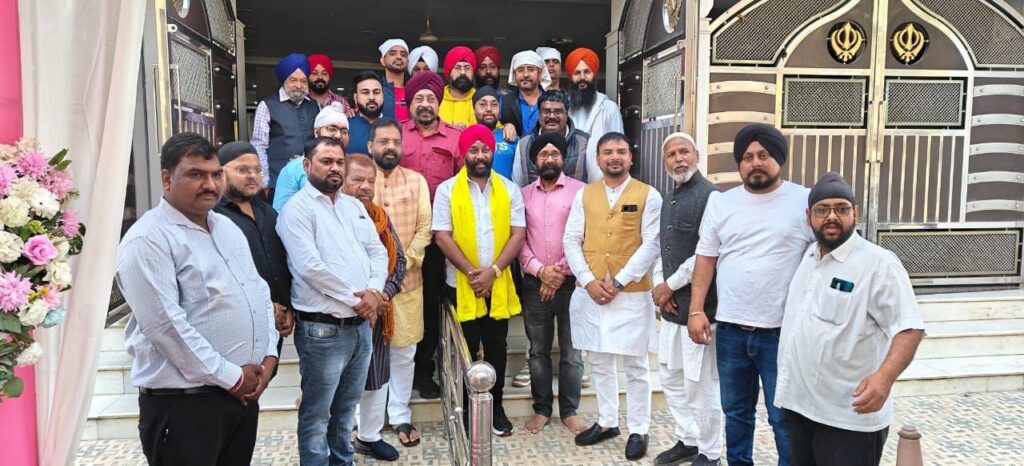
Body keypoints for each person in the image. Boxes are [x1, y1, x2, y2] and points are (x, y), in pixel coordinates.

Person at [116, 133, 278, 465]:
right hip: (185, 406)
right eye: (196, 174)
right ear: (167, 179)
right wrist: (233, 377)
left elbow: (259, 292)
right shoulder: (148, 239)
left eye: (216, 174)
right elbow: (166, 328)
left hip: (240, 399)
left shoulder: (226, 227)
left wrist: (269, 355)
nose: (210, 184)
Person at [777, 173, 925, 466]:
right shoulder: (808, 257)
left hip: (849, 418)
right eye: (822, 209)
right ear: (808, 216)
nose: (832, 217)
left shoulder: (879, 264)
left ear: (855, 213)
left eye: (841, 209)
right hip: (801, 409)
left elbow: (909, 329)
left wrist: (884, 379)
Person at [688, 124, 815, 466]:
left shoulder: (804, 201)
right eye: (747, 157)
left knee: (783, 417)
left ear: (779, 158)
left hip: (782, 332)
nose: (755, 162)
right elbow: (706, 258)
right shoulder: (721, 203)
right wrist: (696, 310)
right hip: (731, 329)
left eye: (763, 155)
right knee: (736, 414)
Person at [277, 136, 388, 465]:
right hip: (322, 330)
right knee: (317, 415)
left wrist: (374, 291)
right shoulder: (296, 210)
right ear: (307, 165)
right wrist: (359, 300)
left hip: (360, 328)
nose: (335, 168)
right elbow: (310, 268)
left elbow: (377, 251)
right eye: (326, 161)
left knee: (345, 412)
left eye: (340, 162)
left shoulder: (353, 206)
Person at [564, 132, 661, 461]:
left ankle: (639, 428)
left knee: (636, 365)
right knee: (599, 361)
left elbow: (651, 244)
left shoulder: (649, 195)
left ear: (631, 157)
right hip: (590, 293)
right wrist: (588, 281)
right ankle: (607, 421)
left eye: (621, 151)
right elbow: (571, 240)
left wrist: (618, 281)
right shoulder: (584, 195)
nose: (614, 157)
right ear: (598, 159)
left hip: (631, 293)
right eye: (608, 152)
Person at [432, 124, 526, 437]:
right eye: (473, 149)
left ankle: (495, 407)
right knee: (465, 349)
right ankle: (467, 409)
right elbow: (442, 236)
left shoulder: (509, 189)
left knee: (497, 347)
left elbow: (518, 234)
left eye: (485, 149)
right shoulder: (447, 190)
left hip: (498, 282)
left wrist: (493, 271)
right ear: (464, 154)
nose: (480, 155)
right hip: (460, 283)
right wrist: (473, 273)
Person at [651, 133, 723, 466]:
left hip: (699, 311)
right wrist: (659, 288)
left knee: (700, 385)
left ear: (697, 155)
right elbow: (661, 249)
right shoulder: (669, 198)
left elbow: (706, 254)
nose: (679, 159)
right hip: (671, 311)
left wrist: (669, 285)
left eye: (684, 152)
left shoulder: (712, 197)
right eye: (671, 155)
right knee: (670, 377)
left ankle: (711, 452)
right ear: (665, 162)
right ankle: (688, 439)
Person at [367, 117, 433, 448]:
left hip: (407, 282)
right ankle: (366, 420)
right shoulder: (359, 180)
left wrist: (401, 264)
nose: (390, 147)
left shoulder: (416, 181)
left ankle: (399, 414)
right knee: (367, 354)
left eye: (395, 142)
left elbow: (424, 228)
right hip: (367, 289)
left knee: (404, 352)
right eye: (384, 142)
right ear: (371, 146)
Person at [518, 132, 587, 436]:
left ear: (563, 158)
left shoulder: (581, 192)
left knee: (572, 352)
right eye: (543, 154)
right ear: (535, 160)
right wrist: (540, 271)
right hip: (535, 284)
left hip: (572, 283)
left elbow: (585, 237)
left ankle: (570, 411)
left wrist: (557, 273)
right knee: (538, 351)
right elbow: (518, 239)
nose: (549, 159)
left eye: (554, 154)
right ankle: (542, 409)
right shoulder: (523, 195)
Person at [400, 70, 464, 399]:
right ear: (409, 104)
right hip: (401, 236)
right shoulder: (396, 135)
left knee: (432, 303)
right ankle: (398, 369)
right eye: (419, 99)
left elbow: (463, 186)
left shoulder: (455, 138)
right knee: (402, 301)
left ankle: (425, 371)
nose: (425, 104)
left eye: (430, 99)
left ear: (439, 103)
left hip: (439, 238)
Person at [342, 154, 406, 462]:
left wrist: (381, 296)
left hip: (378, 312)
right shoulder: (328, 217)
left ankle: (369, 436)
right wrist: (359, 301)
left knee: (377, 378)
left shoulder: (380, 216)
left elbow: (399, 261)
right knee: (340, 383)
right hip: (340, 314)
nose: (365, 187)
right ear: (342, 180)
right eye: (357, 180)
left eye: (371, 181)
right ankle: (339, 441)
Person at [215, 141, 295, 377]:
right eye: (242, 170)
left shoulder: (267, 212)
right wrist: (266, 306)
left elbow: (282, 262)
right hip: (236, 324)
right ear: (220, 172)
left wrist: (287, 307)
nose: (252, 176)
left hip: (275, 323)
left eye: (257, 170)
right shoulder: (213, 216)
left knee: (262, 381)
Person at [252, 53, 319, 196]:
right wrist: (265, 182)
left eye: (303, 81)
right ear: (284, 80)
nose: (298, 85)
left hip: (310, 183)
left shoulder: (314, 106)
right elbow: (259, 145)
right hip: (277, 183)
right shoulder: (267, 105)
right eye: (293, 80)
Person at [273, 103, 349, 211]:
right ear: (316, 132)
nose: (338, 135)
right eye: (332, 129)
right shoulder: (292, 169)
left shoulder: (353, 165)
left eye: (344, 131)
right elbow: (281, 212)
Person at [565, 48, 624, 183]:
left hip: (601, 182)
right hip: (569, 183)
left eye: (587, 72)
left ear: (594, 74)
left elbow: (618, 147)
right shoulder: (564, 108)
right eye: (577, 73)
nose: (582, 77)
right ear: (570, 77)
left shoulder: (609, 108)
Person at [511, 90, 589, 186]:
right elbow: (517, 185)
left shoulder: (583, 142)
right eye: (546, 111)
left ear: (566, 114)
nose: (552, 116)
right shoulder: (524, 143)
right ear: (539, 114)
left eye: (558, 112)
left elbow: (594, 183)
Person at [499, 50, 552, 143]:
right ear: (514, 74)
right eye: (520, 70)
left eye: (531, 69)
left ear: (539, 72)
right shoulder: (505, 101)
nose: (525, 75)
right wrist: (506, 125)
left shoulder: (551, 100)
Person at [472, 86, 516, 179]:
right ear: (473, 110)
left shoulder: (510, 136)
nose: (489, 109)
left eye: (494, 105)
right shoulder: (466, 137)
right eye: (483, 105)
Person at [347, 70, 389, 155]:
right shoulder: (346, 127)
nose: (372, 97)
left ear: (383, 96)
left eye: (376, 92)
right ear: (355, 97)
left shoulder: (393, 127)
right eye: (365, 92)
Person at [439, 46, 478, 128]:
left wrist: (506, 126)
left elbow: (493, 127)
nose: (463, 72)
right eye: (458, 68)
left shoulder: (480, 100)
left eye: (467, 68)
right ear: (449, 72)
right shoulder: (437, 99)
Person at [379, 38, 411, 122]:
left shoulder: (414, 90)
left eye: (403, 54)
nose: (399, 57)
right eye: (393, 53)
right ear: (383, 60)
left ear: (408, 62)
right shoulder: (376, 90)